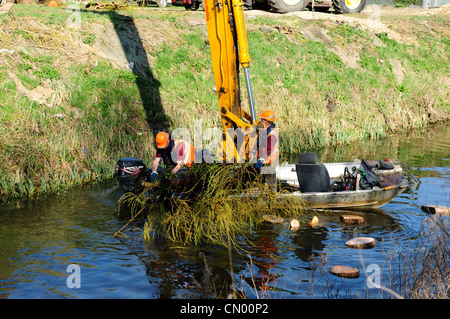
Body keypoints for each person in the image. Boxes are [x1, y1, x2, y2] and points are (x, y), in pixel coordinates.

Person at [254, 110, 279, 190]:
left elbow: (268, 149)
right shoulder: (265, 130)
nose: (260, 121)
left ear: (267, 121)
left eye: (262, 119)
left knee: (271, 183)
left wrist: (261, 160)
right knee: (262, 182)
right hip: (264, 160)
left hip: (269, 161)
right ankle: (263, 198)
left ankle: (272, 200)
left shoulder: (272, 134)